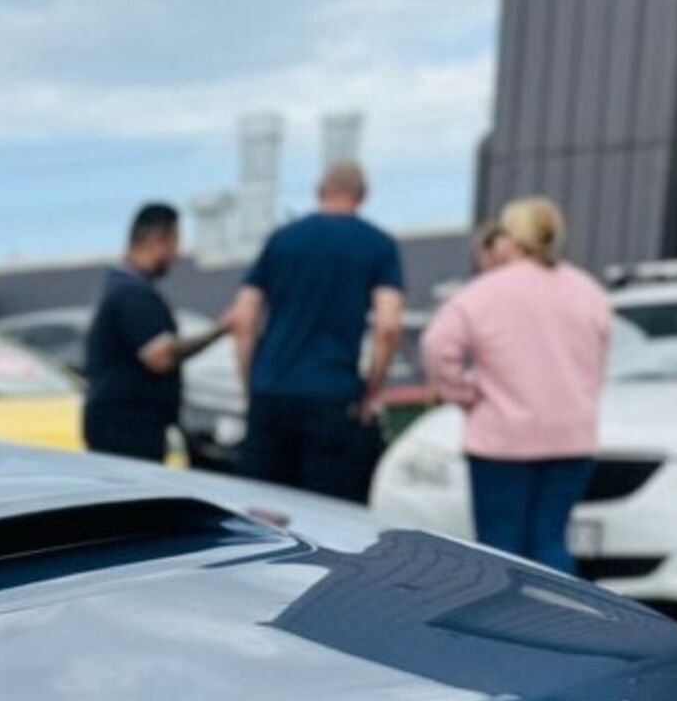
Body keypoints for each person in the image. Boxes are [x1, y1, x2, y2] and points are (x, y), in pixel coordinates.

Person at [420, 195, 612, 574]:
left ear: (513, 239)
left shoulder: (483, 292)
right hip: (570, 438)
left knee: (500, 550)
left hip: (502, 440)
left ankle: (500, 630)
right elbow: (598, 360)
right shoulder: (589, 290)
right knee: (552, 542)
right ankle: (556, 627)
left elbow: (437, 345)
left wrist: (465, 393)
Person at [223, 161, 405, 500]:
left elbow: (243, 318)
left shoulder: (280, 241)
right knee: (327, 520)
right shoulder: (378, 245)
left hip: (272, 395)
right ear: (362, 195)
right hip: (333, 397)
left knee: (262, 514)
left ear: (320, 191)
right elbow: (389, 327)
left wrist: (252, 384)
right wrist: (371, 391)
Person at [81, 201, 226, 461]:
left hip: (120, 424)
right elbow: (161, 356)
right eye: (174, 243)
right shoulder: (132, 293)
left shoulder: (117, 286)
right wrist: (222, 329)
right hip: (129, 429)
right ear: (159, 240)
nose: (177, 254)